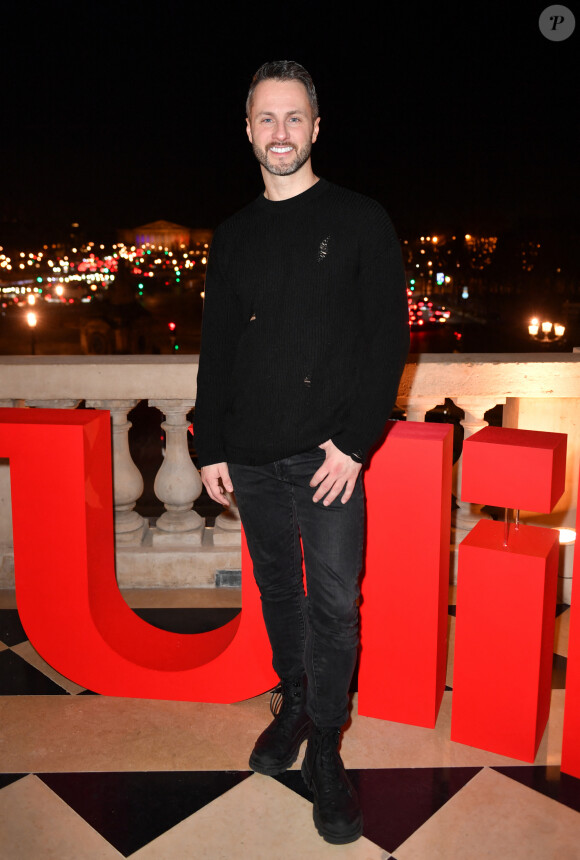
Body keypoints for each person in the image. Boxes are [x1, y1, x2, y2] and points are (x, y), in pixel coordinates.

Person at [194, 60, 410, 845]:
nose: (279, 133)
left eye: (293, 118)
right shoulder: (234, 234)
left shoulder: (360, 219)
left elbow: (388, 340)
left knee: (335, 603)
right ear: (247, 130)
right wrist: (208, 442)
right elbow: (218, 349)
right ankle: (293, 706)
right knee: (280, 595)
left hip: (327, 460)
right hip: (249, 454)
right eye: (265, 119)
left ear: (315, 128)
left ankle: (327, 743)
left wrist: (355, 444)